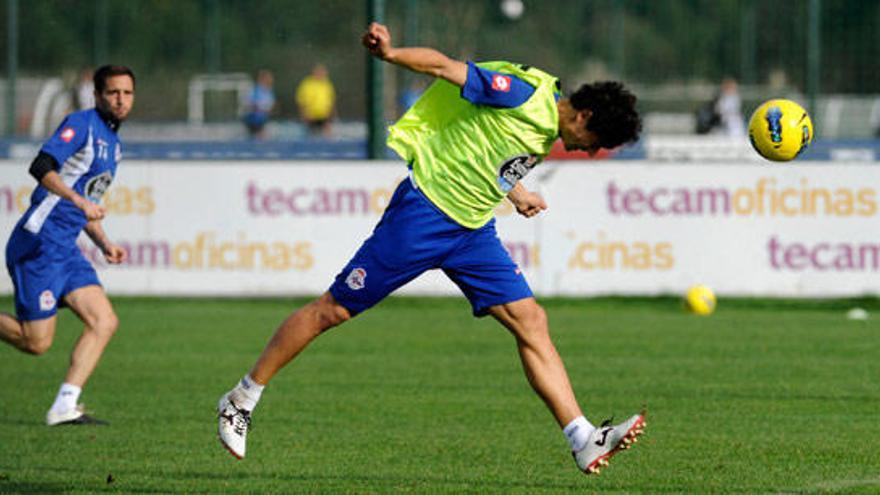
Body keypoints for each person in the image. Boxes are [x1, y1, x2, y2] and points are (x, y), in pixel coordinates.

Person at [217, 23, 645, 475]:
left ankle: (581, 438)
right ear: (586, 119)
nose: (590, 154)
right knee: (333, 311)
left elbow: (485, 145)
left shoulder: (542, 123)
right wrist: (391, 54)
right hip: (424, 216)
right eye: (596, 146)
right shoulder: (523, 94)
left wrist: (516, 193)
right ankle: (241, 397)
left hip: (473, 232)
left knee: (531, 321)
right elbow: (445, 67)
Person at [0, 65, 135, 426]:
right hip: (39, 243)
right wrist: (78, 203)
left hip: (66, 248)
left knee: (104, 320)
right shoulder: (82, 125)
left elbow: (87, 198)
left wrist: (105, 242)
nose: (121, 100)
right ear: (97, 96)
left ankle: (64, 406)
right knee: (35, 343)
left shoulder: (114, 144)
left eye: (127, 93)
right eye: (113, 93)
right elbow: (41, 165)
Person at [295, 64, 336, 136]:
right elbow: (300, 101)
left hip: (324, 115)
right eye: (319, 72)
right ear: (313, 72)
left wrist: (332, 114)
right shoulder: (306, 84)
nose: (321, 74)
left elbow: (331, 100)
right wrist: (303, 114)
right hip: (310, 116)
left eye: (323, 72)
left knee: (328, 136)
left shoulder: (327, 84)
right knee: (310, 136)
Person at [243, 69, 276, 140]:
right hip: (254, 120)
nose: (271, 80)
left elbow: (271, 107)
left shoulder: (269, 92)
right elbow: (249, 105)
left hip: (263, 120)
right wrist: (260, 109)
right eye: (269, 78)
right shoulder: (254, 90)